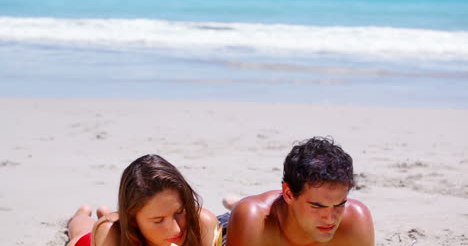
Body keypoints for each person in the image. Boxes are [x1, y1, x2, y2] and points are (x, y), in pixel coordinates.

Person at [224, 136, 375, 246]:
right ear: (288, 194)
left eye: (339, 205)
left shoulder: (356, 220)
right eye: (317, 206)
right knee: (241, 210)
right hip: (231, 229)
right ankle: (233, 205)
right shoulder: (254, 220)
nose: (330, 219)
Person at [66, 154, 220, 246]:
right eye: (158, 220)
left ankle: (104, 212)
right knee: (82, 229)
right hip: (94, 242)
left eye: (180, 212)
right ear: (133, 219)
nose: (176, 229)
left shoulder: (203, 223)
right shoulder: (110, 232)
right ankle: (81, 214)